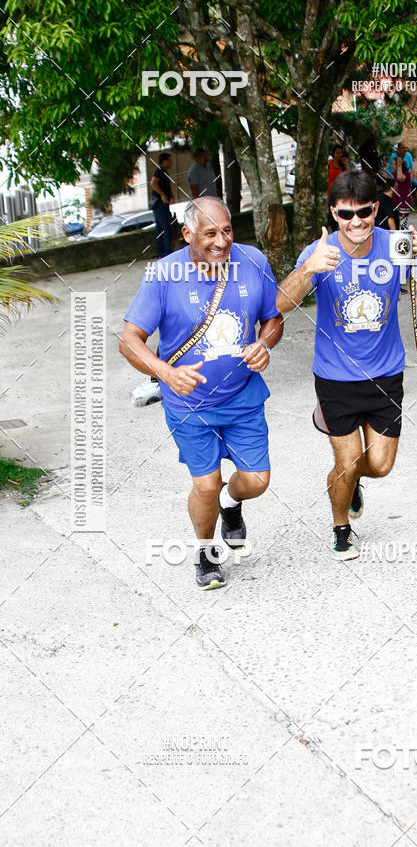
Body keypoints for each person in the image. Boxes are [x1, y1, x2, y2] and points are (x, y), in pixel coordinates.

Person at [275, 171, 417, 560]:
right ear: (334, 213)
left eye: (364, 211)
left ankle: (353, 482)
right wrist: (309, 268)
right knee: (345, 462)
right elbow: (279, 305)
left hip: (385, 374)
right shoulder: (320, 251)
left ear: (376, 209)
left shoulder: (395, 245)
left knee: (378, 464)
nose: (356, 221)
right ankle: (340, 527)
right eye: (346, 214)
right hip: (335, 377)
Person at [119, 197, 283, 590]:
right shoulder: (163, 274)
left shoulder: (253, 261)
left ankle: (232, 504)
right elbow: (129, 341)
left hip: (243, 396)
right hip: (190, 404)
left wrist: (265, 344)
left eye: (227, 230)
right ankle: (206, 553)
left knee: (257, 480)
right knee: (206, 484)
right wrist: (165, 373)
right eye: (210, 233)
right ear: (187, 234)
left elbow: (273, 319)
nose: (221, 241)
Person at [387, 140, 417, 213]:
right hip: (397, 179)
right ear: (399, 149)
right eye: (403, 148)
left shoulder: (408, 155)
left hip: (408, 177)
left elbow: (412, 169)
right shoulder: (393, 157)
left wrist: (410, 180)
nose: (405, 150)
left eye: (406, 148)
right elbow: (391, 171)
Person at [150, 152, 174, 257]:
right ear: (163, 161)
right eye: (169, 160)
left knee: (160, 229)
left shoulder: (164, 172)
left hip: (162, 204)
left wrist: (170, 196)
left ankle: (162, 252)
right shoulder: (159, 171)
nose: (171, 162)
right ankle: (167, 252)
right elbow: (153, 183)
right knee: (166, 228)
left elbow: (166, 186)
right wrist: (163, 195)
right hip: (160, 204)